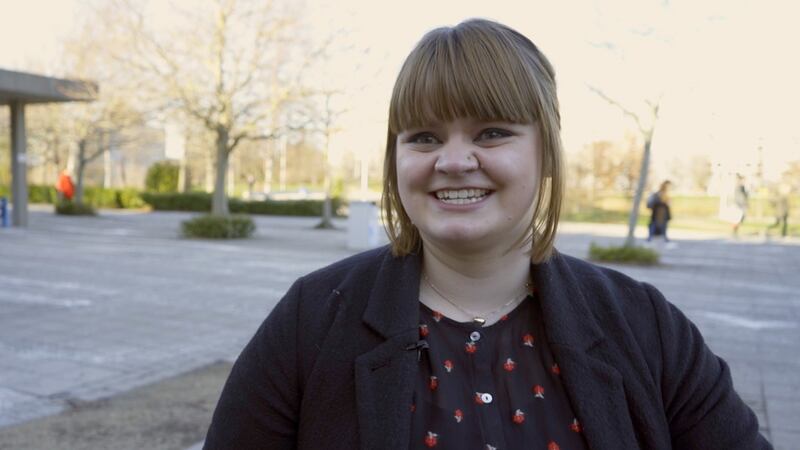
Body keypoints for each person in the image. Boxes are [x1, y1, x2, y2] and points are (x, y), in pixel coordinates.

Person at [204, 19, 772, 450]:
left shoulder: (644, 326)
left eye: (492, 132)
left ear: (546, 151)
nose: (453, 160)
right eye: (423, 137)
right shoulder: (312, 320)